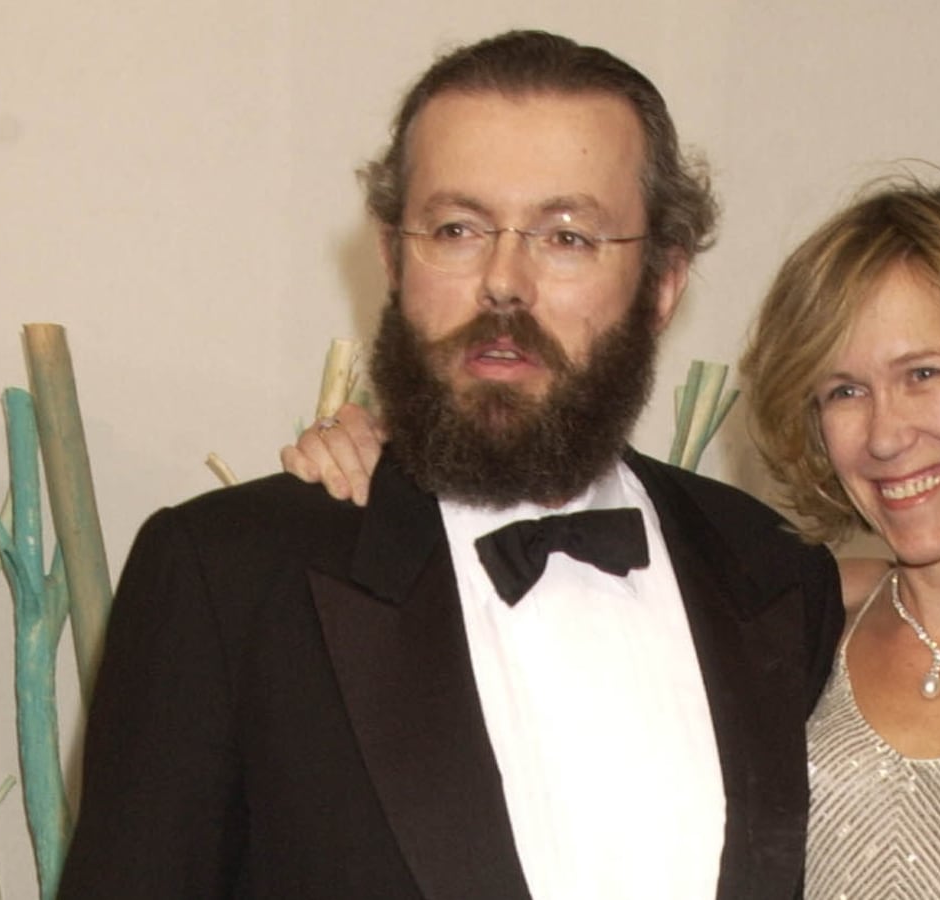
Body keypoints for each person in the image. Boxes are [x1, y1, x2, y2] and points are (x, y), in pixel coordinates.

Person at [59, 30, 843, 900]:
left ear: (662, 283)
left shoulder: (777, 574)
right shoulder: (228, 580)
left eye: (568, 236)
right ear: (393, 259)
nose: (504, 283)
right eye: (457, 228)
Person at [292, 177, 940, 897]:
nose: (886, 434)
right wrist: (394, 467)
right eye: (843, 391)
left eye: (924, 373)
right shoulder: (800, 604)